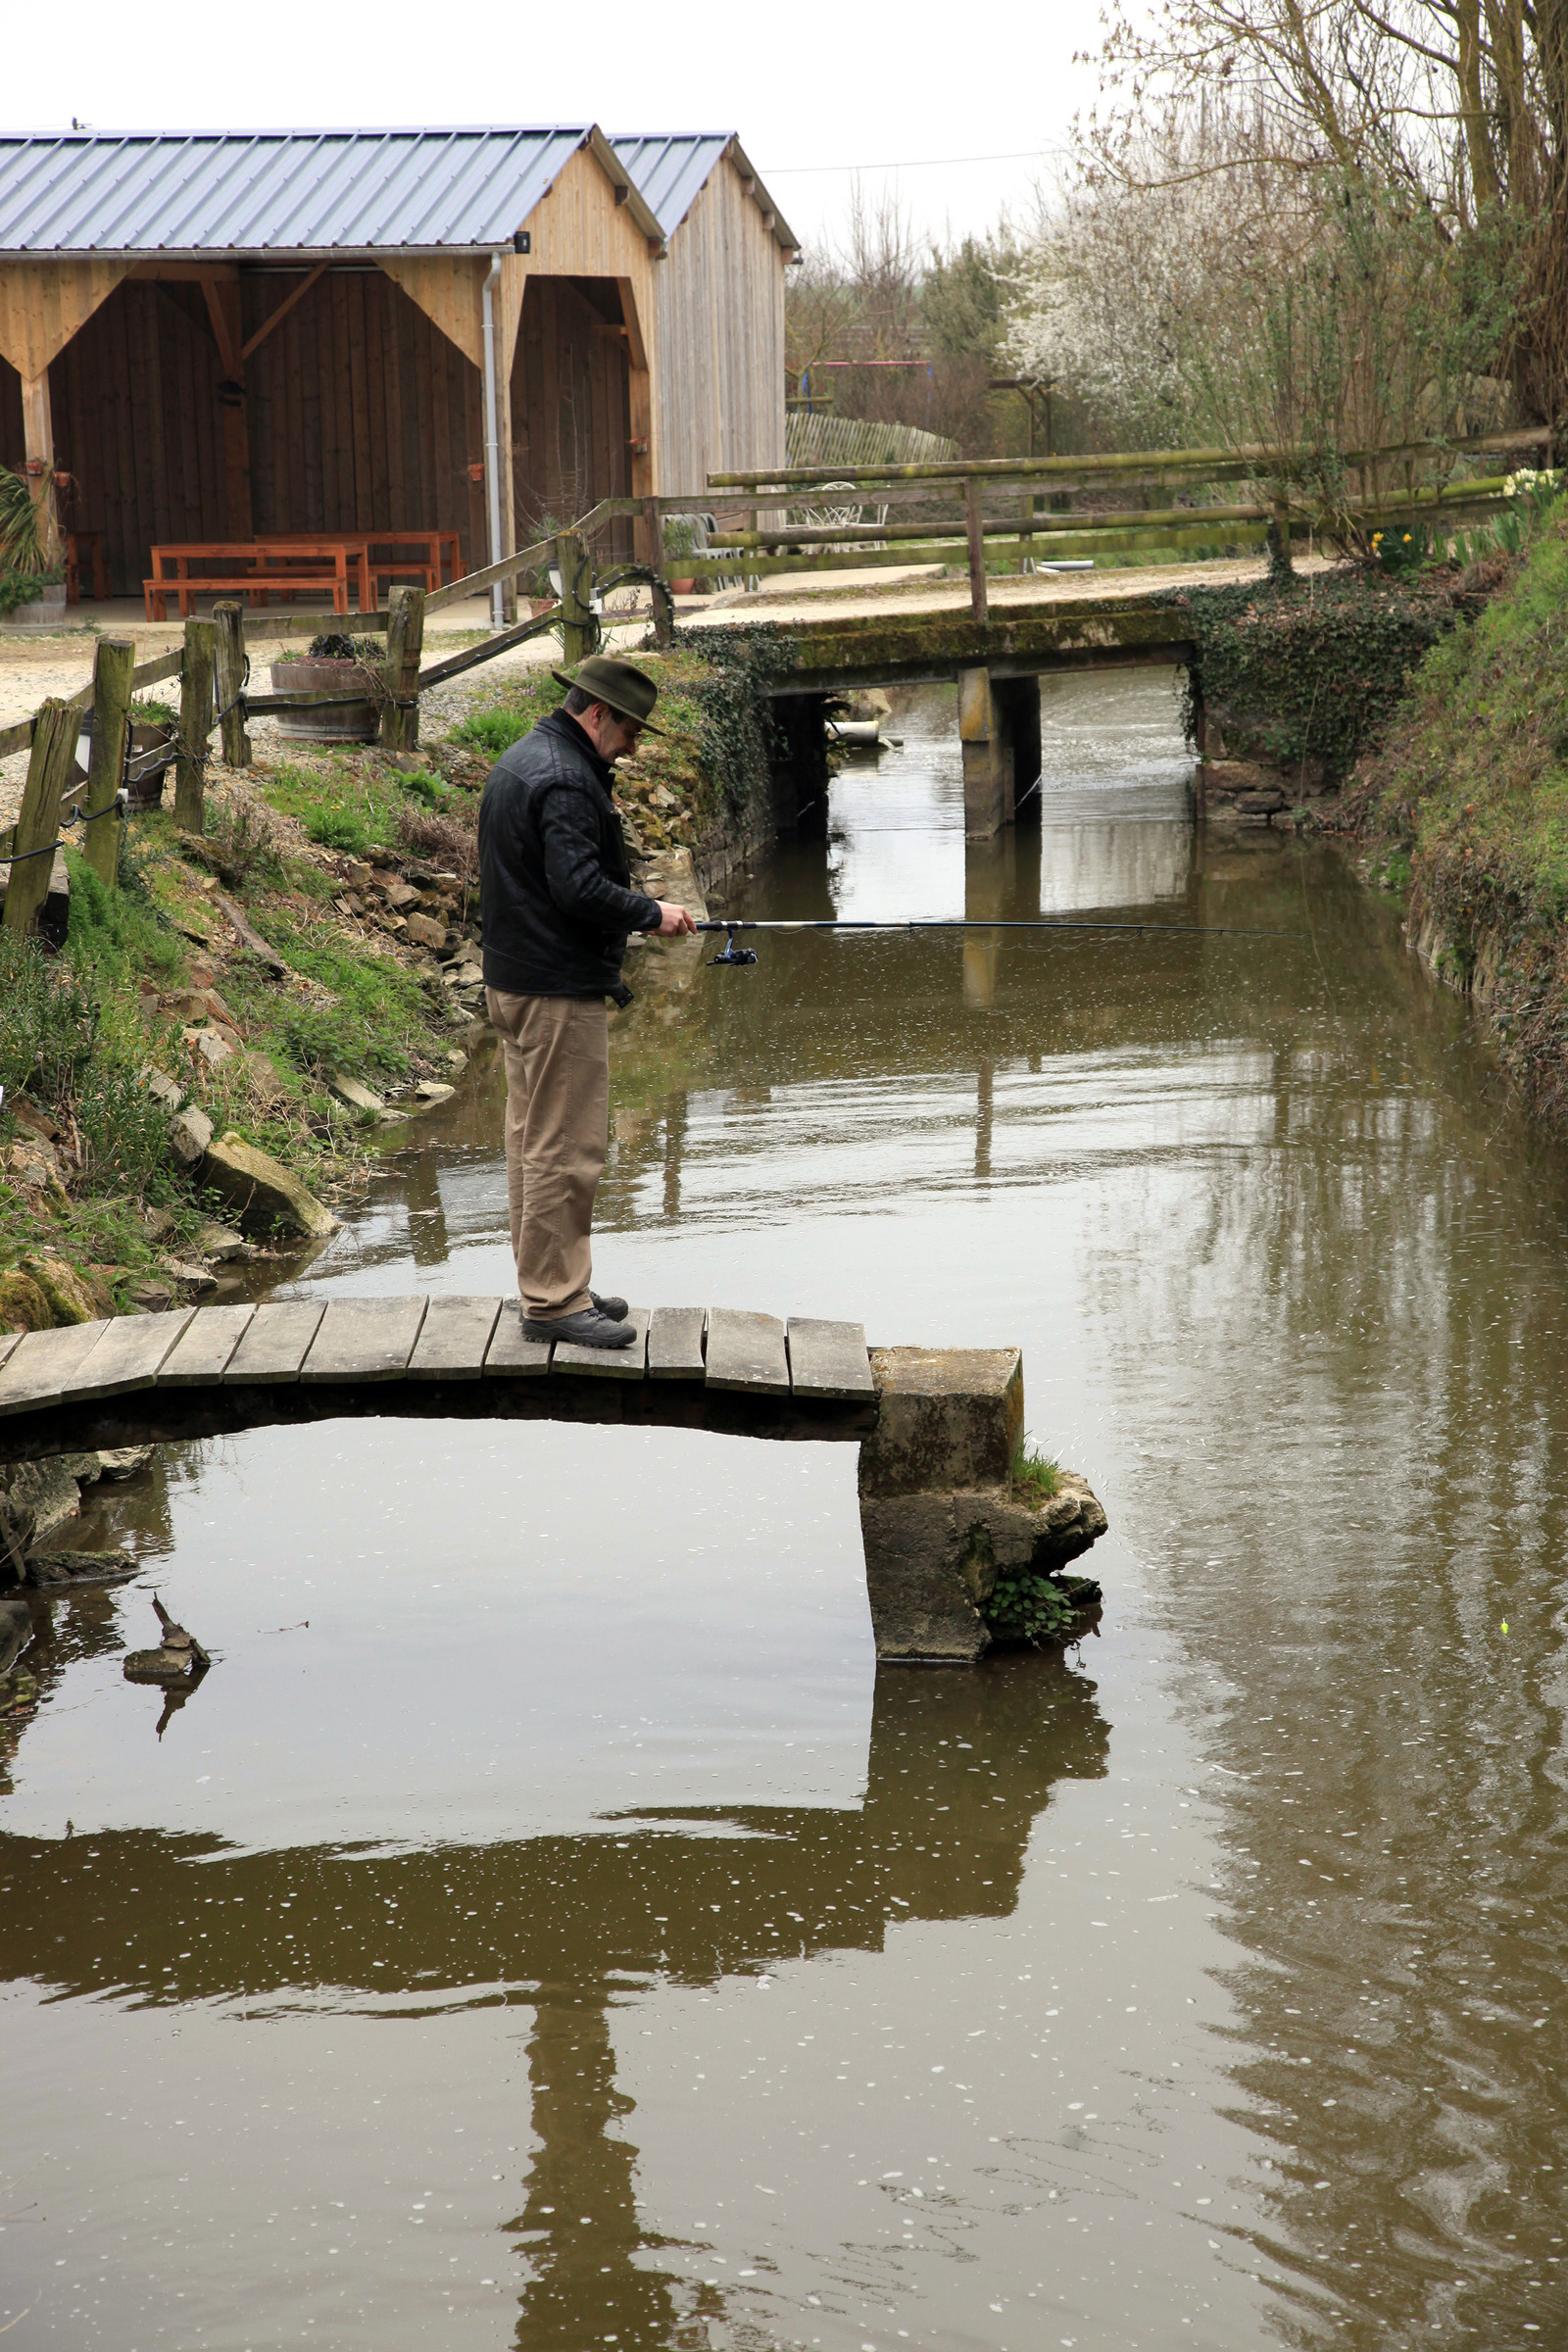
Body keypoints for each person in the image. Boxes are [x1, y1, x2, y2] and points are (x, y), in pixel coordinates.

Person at [478, 655, 696, 1348]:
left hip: (513, 982)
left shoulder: (526, 756)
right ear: (597, 714)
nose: (632, 747)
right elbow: (577, 890)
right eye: (630, 732)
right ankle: (552, 1303)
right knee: (565, 1148)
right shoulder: (568, 780)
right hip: (553, 992)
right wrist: (650, 912)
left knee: (529, 1141)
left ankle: (553, 1279)